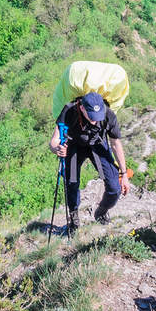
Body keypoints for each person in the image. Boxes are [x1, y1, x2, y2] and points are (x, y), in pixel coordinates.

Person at [49, 91, 130, 235]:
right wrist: (57, 149)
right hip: (73, 145)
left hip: (97, 144)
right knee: (71, 184)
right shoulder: (69, 111)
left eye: (97, 117)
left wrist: (124, 174)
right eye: (91, 116)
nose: (95, 120)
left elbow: (116, 144)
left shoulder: (108, 114)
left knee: (114, 188)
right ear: (82, 108)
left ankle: (101, 211)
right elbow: (54, 141)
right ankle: (74, 221)